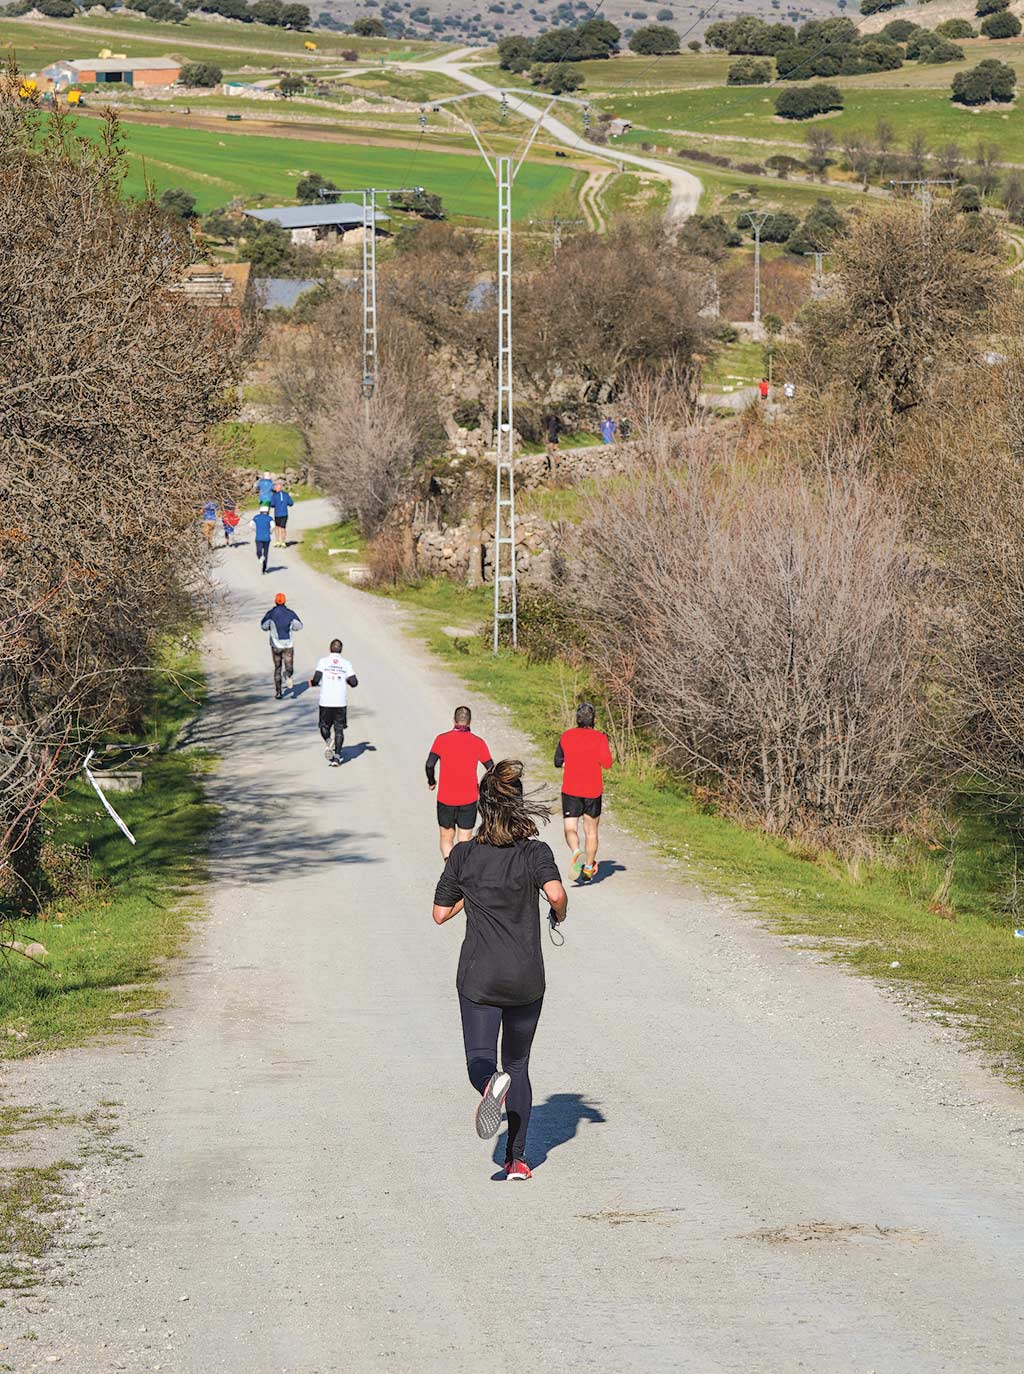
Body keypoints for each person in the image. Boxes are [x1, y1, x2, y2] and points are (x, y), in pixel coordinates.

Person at [432, 760, 567, 1181]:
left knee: (481, 1060)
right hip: (526, 979)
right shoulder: (535, 852)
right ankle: (517, 1160)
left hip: (479, 979)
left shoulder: (463, 855)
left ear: (481, 808)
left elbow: (439, 914)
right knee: (520, 1065)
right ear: (518, 805)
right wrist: (558, 915)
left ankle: (490, 1084)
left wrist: (470, 896)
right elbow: (557, 894)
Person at [426, 706, 494, 859]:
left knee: (446, 837)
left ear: (454, 720)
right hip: (468, 798)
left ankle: (449, 870)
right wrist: (484, 787)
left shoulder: (441, 739)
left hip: (446, 798)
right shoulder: (478, 742)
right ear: (470, 722)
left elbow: (430, 764)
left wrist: (432, 781)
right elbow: (491, 768)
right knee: (464, 840)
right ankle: (462, 872)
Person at [555, 702, 612, 882]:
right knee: (591, 831)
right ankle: (588, 868)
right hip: (593, 790)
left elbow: (557, 761)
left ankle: (576, 851)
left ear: (577, 719)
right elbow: (608, 763)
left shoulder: (567, 736)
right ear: (594, 720)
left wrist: (568, 761)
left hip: (571, 789)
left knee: (570, 828)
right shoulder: (600, 738)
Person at [310, 638, 358, 766]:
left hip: (326, 701)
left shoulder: (323, 662)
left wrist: (312, 683)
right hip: (340, 702)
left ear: (329, 649)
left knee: (324, 726)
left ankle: (328, 740)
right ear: (341, 650)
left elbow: (316, 679)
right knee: (339, 730)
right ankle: (337, 758)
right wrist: (345, 679)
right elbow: (354, 683)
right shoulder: (346, 663)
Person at [260, 592, 303, 700]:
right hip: (288, 645)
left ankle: (278, 692)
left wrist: (271, 627)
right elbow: (299, 626)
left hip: (275, 645)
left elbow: (263, 626)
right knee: (289, 666)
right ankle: (288, 675)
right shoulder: (290, 613)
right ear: (284, 601)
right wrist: (291, 627)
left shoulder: (271, 613)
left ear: (275, 601)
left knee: (277, 668)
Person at [270, 480, 294, 549]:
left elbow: (272, 504)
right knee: (283, 528)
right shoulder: (286, 494)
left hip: (277, 513)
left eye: (275, 487)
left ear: (278, 488)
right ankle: (283, 542)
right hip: (284, 513)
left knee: (277, 527)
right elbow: (291, 503)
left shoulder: (274, 495)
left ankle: (277, 541)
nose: (274, 489)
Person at [250, 505, 272, 574]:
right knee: (266, 552)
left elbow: (250, 525)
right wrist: (270, 531)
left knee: (258, 551)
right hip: (267, 538)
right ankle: (264, 568)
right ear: (267, 512)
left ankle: (260, 557)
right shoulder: (269, 518)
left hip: (258, 537)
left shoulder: (256, 517)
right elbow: (273, 526)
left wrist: (255, 530)